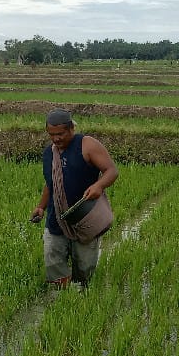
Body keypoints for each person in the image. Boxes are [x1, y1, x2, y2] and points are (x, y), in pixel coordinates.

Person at [30, 108, 119, 288]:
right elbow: (51, 183)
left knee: (84, 267)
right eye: (51, 134)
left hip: (84, 217)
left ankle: (81, 293)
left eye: (60, 134)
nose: (56, 139)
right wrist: (41, 207)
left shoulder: (87, 145)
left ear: (71, 128)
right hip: (56, 218)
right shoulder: (49, 153)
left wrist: (99, 186)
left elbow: (111, 171)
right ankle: (61, 296)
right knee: (53, 262)